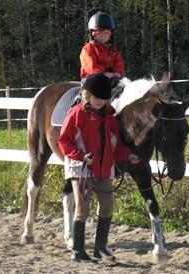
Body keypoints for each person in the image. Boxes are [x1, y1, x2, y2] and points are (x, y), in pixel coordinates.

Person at [58, 73, 139, 263]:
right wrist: (80, 156)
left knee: (107, 206)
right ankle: (78, 250)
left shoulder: (110, 118)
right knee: (83, 208)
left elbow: (115, 145)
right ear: (87, 95)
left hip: (104, 169)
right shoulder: (77, 113)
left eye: (104, 98)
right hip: (82, 169)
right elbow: (64, 140)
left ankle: (100, 247)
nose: (100, 101)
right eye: (97, 97)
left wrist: (127, 155)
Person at [80, 12, 125, 84]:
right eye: (100, 33)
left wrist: (118, 73)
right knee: (95, 87)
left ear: (110, 34)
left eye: (106, 33)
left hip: (111, 78)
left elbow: (119, 63)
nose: (103, 36)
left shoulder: (113, 50)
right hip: (92, 79)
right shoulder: (87, 49)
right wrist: (103, 74)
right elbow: (91, 67)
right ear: (93, 34)